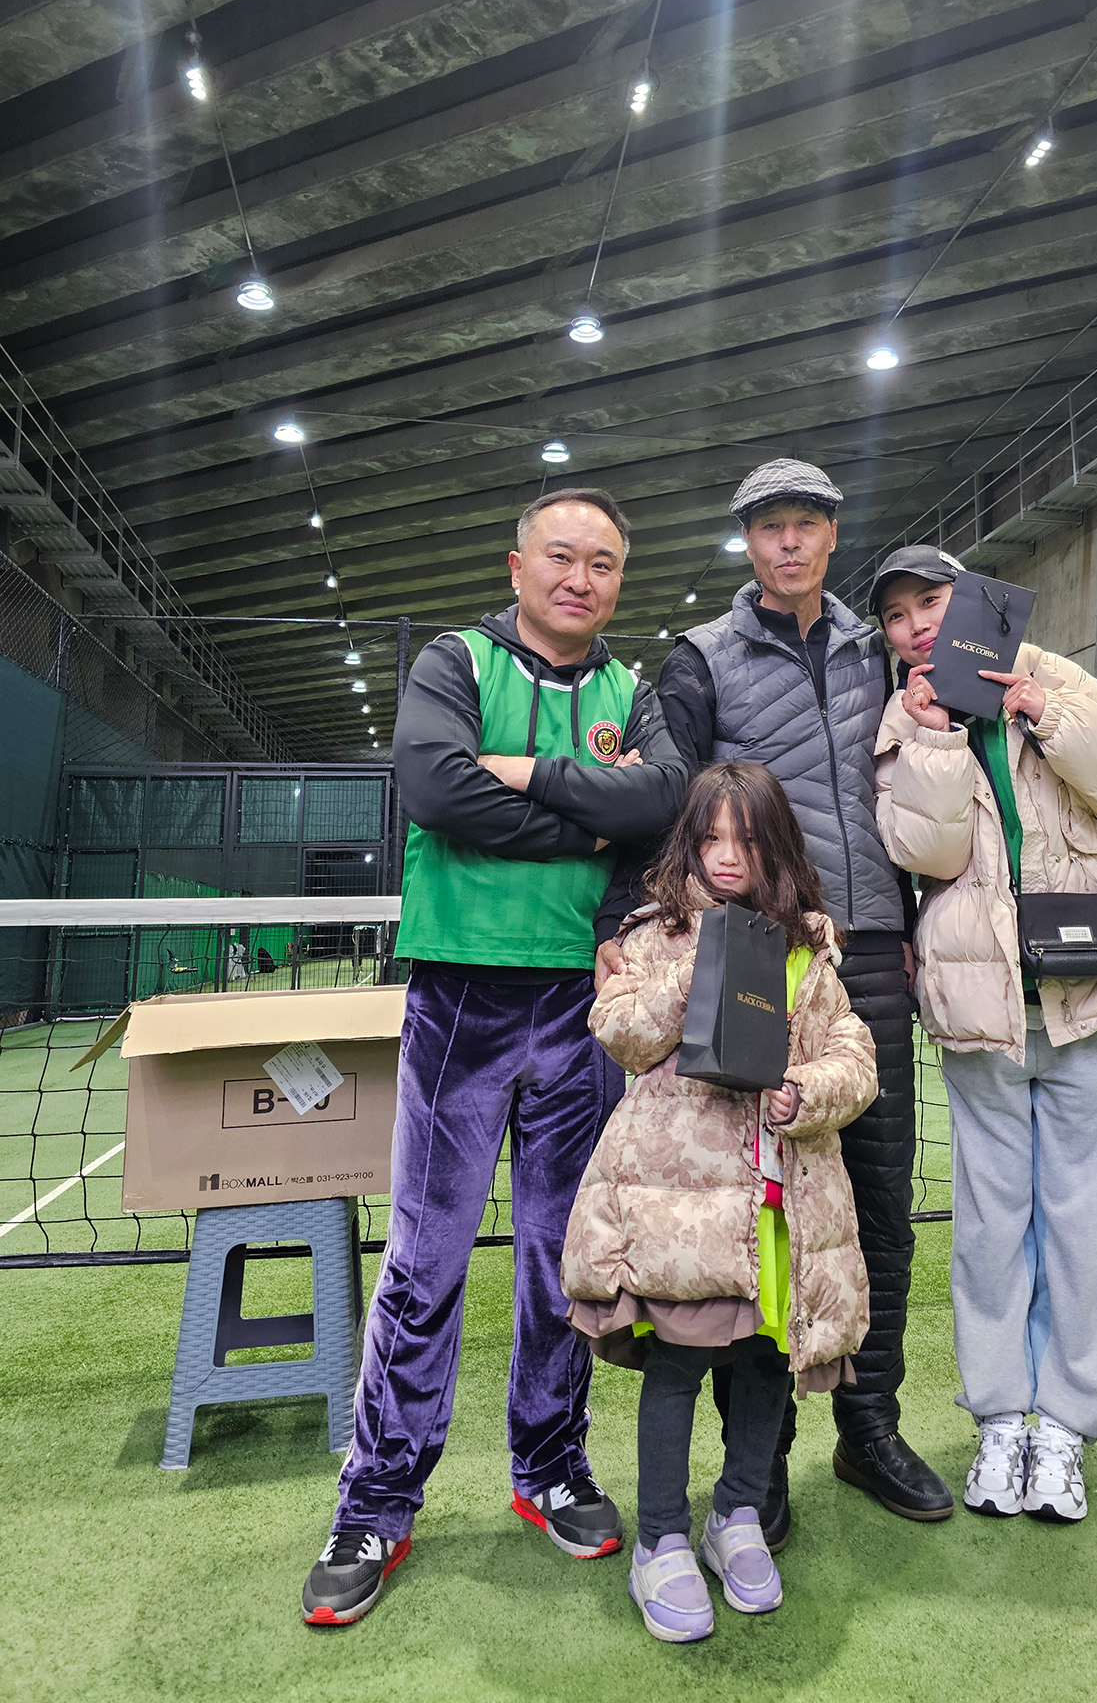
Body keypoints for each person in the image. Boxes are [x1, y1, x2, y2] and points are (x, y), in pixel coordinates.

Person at [302, 487, 688, 1626]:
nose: (581, 578)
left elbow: (667, 799)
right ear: (518, 566)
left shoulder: (632, 692)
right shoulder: (455, 663)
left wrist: (523, 781)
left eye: (603, 563)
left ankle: (550, 1464)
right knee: (424, 1258)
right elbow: (434, 786)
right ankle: (377, 1499)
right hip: (460, 998)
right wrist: (593, 821)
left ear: (619, 579)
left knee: (563, 1261)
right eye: (561, 556)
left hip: (585, 999)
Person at [598, 458, 953, 1533]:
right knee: (753, 1211)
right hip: (754, 959)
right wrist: (623, 922)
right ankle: (763, 1464)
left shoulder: (875, 649)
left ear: (832, 534)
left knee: (876, 1205)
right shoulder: (700, 657)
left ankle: (870, 1426)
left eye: (806, 524)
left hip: (871, 950)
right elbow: (667, 798)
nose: (788, 542)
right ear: (747, 542)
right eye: (768, 527)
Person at [870, 545, 1097, 1524]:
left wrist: (1044, 712)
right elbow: (923, 851)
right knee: (988, 1231)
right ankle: (1000, 1420)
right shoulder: (904, 717)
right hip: (983, 1016)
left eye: (931, 601)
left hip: (1086, 999)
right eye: (897, 615)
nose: (917, 626)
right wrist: (936, 741)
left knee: (1080, 1223)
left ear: (971, 600)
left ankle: (1064, 1425)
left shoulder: (1053, 676)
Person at [565, 760, 878, 1641]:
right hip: (682, 1215)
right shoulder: (651, 936)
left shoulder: (809, 949)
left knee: (770, 1364)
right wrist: (695, 970)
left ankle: (736, 1515)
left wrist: (805, 1093)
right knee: (676, 1367)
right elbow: (618, 1030)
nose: (727, 856)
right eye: (710, 838)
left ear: (777, 846)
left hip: (784, 1205)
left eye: (746, 839)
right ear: (689, 845)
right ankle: (660, 1539)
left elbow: (854, 1055)